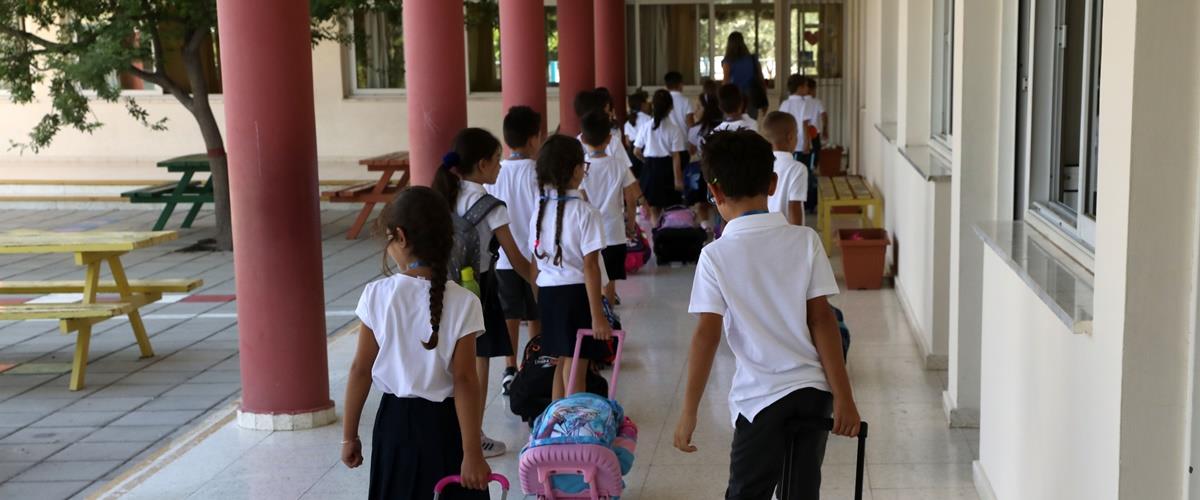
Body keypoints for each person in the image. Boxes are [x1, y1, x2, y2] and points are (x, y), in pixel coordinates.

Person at [672, 130, 861, 500]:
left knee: (747, 493)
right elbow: (823, 321)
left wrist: (689, 411)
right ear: (773, 183)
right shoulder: (805, 240)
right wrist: (844, 397)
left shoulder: (715, 256)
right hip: (813, 393)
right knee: (800, 493)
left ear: (714, 192)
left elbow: (706, 335)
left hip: (760, 399)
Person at [340, 186, 491, 500]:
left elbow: (360, 371)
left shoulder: (377, 295)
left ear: (401, 237)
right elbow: (465, 380)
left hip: (395, 426)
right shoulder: (465, 302)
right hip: (447, 427)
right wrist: (472, 452)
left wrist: (349, 437)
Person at [432, 128, 533, 458]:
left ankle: (450, 434)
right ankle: (474, 437)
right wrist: (539, 284)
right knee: (477, 365)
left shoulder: (444, 195)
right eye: (496, 160)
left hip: (440, 287)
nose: (500, 167)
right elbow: (515, 259)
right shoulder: (491, 206)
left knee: (447, 363)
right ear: (482, 164)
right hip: (478, 290)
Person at [529, 135, 614, 400]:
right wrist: (597, 315)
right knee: (578, 366)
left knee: (564, 361)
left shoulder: (539, 210)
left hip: (549, 294)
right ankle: (573, 419)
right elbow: (591, 266)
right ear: (577, 170)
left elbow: (535, 263)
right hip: (576, 295)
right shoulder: (586, 212)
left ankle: (556, 418)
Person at [490, 107, 544, 396]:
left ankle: (509, 369)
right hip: (533, 258)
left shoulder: (496, 172)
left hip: (503, 259)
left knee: (509, 314)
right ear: (534, 139)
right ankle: (532, 362)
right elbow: (541, 214)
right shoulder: (537, 173)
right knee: (536, 313)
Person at [579, 111, 639, 306]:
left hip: (589, 233)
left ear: (583, 139)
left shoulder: (580, 168)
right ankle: (609, 313)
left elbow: (580, 200)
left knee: (591, 275)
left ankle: (595, 314)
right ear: (609, 139)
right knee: (610, 280)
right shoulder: (619, 165)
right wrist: (631, 225)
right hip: (614, 232)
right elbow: (631, 198)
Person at [634, 89, 687, 222]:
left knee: (654, 209)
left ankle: (655, 232)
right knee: (670, 209)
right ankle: (667, 231)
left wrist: (646, 161)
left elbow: (636, 151)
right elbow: (676, 157)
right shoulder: (674, 129)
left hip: (650, 169)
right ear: (671, 107)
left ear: (653, 106)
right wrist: (678, 179)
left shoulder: (646, 126)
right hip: (667, 169)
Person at [686, 79, 724, 233]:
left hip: (704, 170)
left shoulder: (696, 130)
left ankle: (706, 230)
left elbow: (691, 150)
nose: (695, 111)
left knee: (702, 203)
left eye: (699, 107)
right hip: (722, 169)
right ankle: (719, 230)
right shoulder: (724, 126)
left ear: (706, 109)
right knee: (721, 201)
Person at [762, 111, 808, 226]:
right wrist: (798, 235)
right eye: (797, 134)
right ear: (790, 137)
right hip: (786, 231)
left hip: (764, 228)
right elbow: (794, 206)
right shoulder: (798, 169)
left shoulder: (761, 165)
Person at [721, 32, 767, 119]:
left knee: (732, 124)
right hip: (752, 96)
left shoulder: (728, 61)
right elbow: (761, 80)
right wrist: (764, 101)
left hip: (734, 98)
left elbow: (725, 83)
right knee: (750, 123)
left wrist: (722, 101)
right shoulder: (752, 59)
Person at [779, 74, 813, 163]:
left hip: (787, 143)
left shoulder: (784, 104)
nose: (808, 88)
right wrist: (806, 142)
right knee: (802, 166)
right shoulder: (804, 104)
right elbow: (805, 124)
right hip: (800, 143)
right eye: (806, 86)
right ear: (800, 88)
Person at [802, 77, 829, 167]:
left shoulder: (800, 101)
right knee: (815, 153)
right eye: (815, 89)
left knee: (803, 154)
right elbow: (824, 115)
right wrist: (825, 129)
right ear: (811, 89)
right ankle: (813, 168)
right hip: (814, 133)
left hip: (802, 133)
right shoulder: (817, 102)